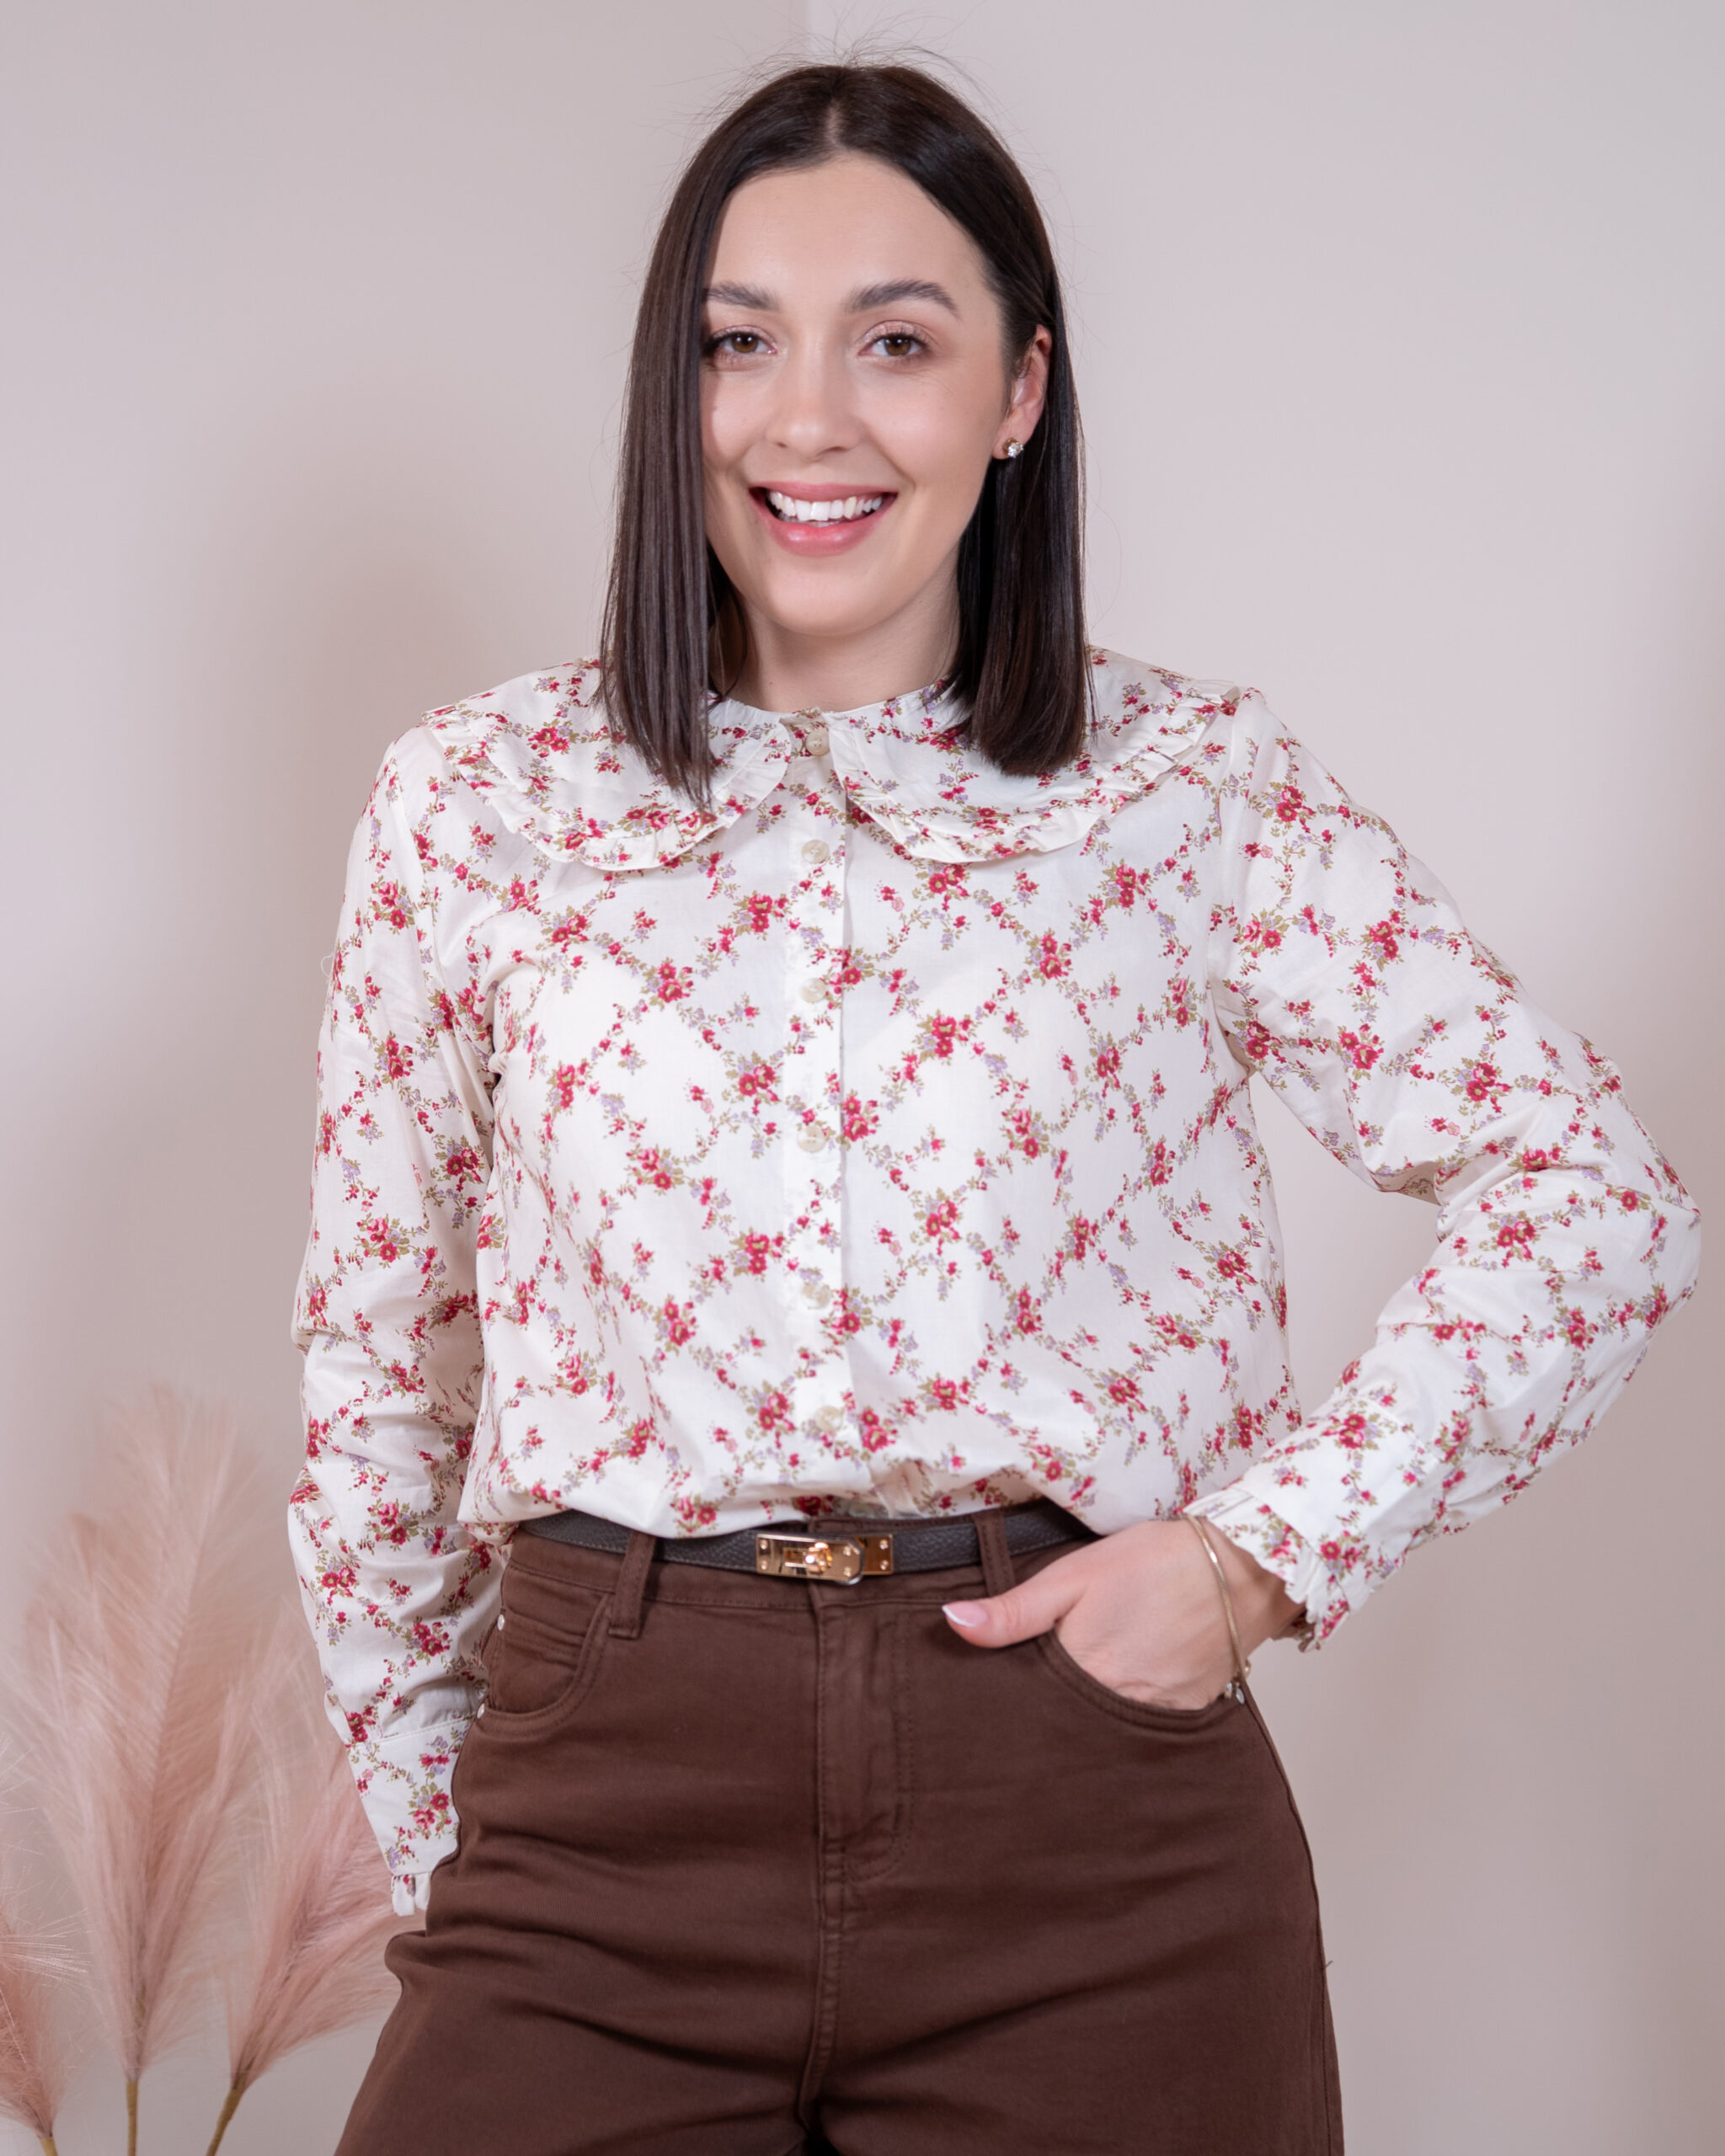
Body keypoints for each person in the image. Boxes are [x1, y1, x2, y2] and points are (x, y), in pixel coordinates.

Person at [288, 59, 1698, 2156]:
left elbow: (1591, 1191)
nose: (807, 420)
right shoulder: (477, 803)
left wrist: (1254, 1557)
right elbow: (376, 1369)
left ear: (1018, 390)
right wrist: (451, 1833)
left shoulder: (1190, 790)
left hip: (1088, 1828)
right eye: (738, 343)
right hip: (601, 1805)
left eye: (896, 343)